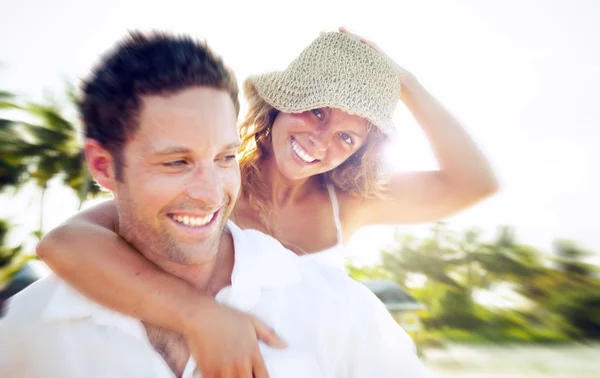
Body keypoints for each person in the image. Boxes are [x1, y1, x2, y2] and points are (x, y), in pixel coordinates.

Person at [34, 28, 497, 375]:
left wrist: (404, 83)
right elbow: (65, 243)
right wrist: (197, 315)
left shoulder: (350, 203)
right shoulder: (215, 184)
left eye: (347, 136)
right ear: (280, 102)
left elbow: (475, 183)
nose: (321, 140)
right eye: (316, 111)